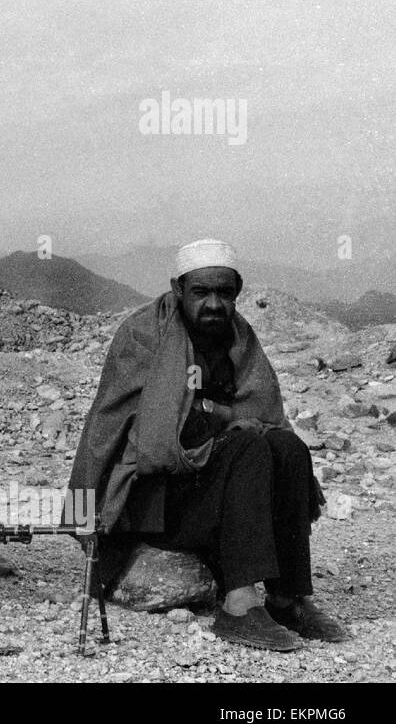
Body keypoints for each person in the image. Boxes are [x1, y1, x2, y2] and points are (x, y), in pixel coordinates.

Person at [68, 239, 348, 651]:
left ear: (236, 293)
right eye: (202, 292)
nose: (214, 304)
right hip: (154, 503)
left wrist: (217, 417)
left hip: (221, 491)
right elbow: (146, 435)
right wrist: (220, 419)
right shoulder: (143, 335)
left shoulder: (239, 337)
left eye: (225, 293)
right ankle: (238, 605)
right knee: (248, 446)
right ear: (178, 289)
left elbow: (263, 410)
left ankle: (289, 598)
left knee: (288, 447)